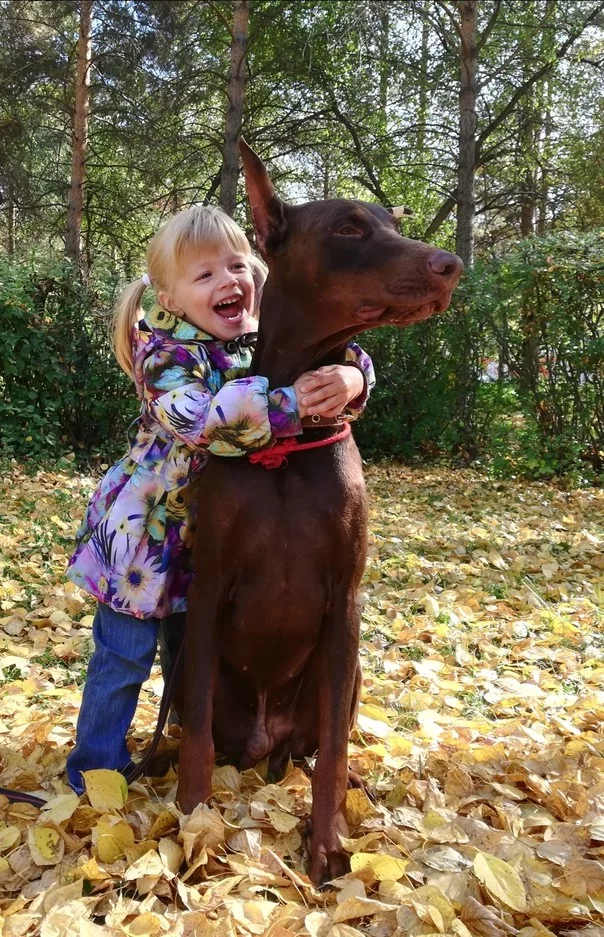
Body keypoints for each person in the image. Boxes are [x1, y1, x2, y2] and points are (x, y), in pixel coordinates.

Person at [65, 205, 376, 794]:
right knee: (124, 657)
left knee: (187, 652)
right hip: (146, 540)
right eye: (204, 276)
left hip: (204, 543)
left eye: (237, 265)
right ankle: (92, 769)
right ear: (172, 299)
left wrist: (355, 378)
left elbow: (330, 351)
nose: (227, 281)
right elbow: (204, 421)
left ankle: (193, 736)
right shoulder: (165, 355)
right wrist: (294, 405)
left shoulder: (253, 341)